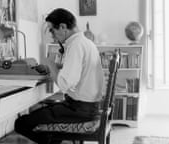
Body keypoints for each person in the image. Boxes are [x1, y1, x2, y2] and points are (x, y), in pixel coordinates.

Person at [14, 8, 105, 144]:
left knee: (21, 123)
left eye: (52, 30)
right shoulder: (86, 43)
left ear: (63, 27)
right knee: (43, 113)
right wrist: (57, 68)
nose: (52, 35)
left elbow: (64, 84)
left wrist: (50, 64)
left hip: (80, 110)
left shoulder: (76, 46)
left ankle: (53, 140)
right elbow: (77, 74)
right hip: (89, 108)